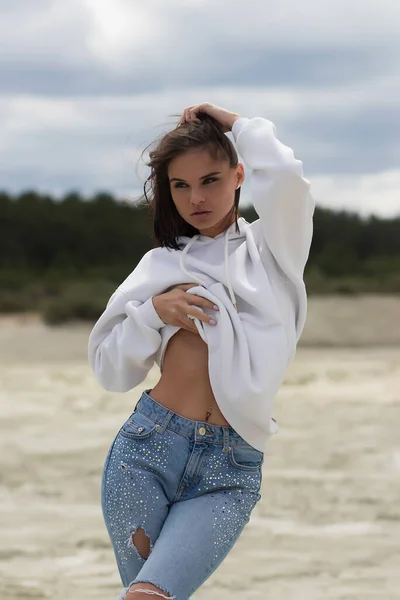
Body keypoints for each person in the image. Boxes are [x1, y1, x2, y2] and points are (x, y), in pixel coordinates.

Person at [88, 102, 315, 599]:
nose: (196, 197)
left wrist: (231, 121)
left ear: (239, 175)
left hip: (229, 468)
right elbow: (108, 367)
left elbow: (287, 176)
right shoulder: (159, 266)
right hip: (147, 451)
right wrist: (153, 313)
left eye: (211, 180)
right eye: (181, 185)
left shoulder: (274, 250)